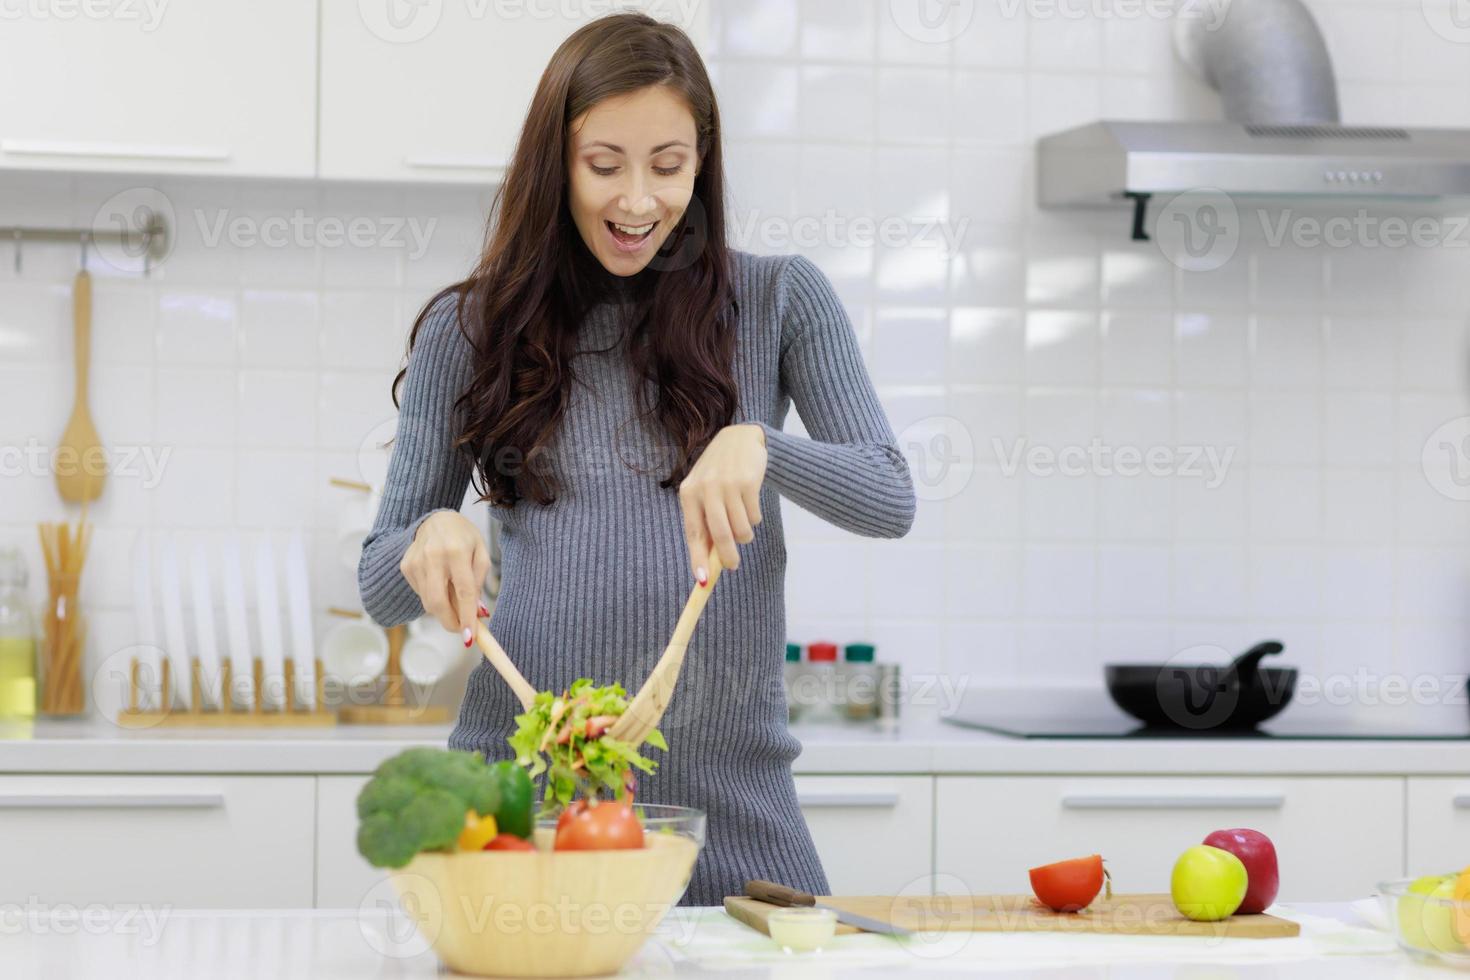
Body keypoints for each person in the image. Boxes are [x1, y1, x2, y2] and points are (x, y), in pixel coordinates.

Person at [358, 11, 915, 906]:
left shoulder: (779, 300)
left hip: (735, 825)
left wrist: (761, 447)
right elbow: (380, 580)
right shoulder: (472, 329)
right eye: (604, 165)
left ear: (703, 162)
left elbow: (890, 496)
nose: (639, 201)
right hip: (522, 824)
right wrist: (429, 533)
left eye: (669, 165)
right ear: (556, 165)